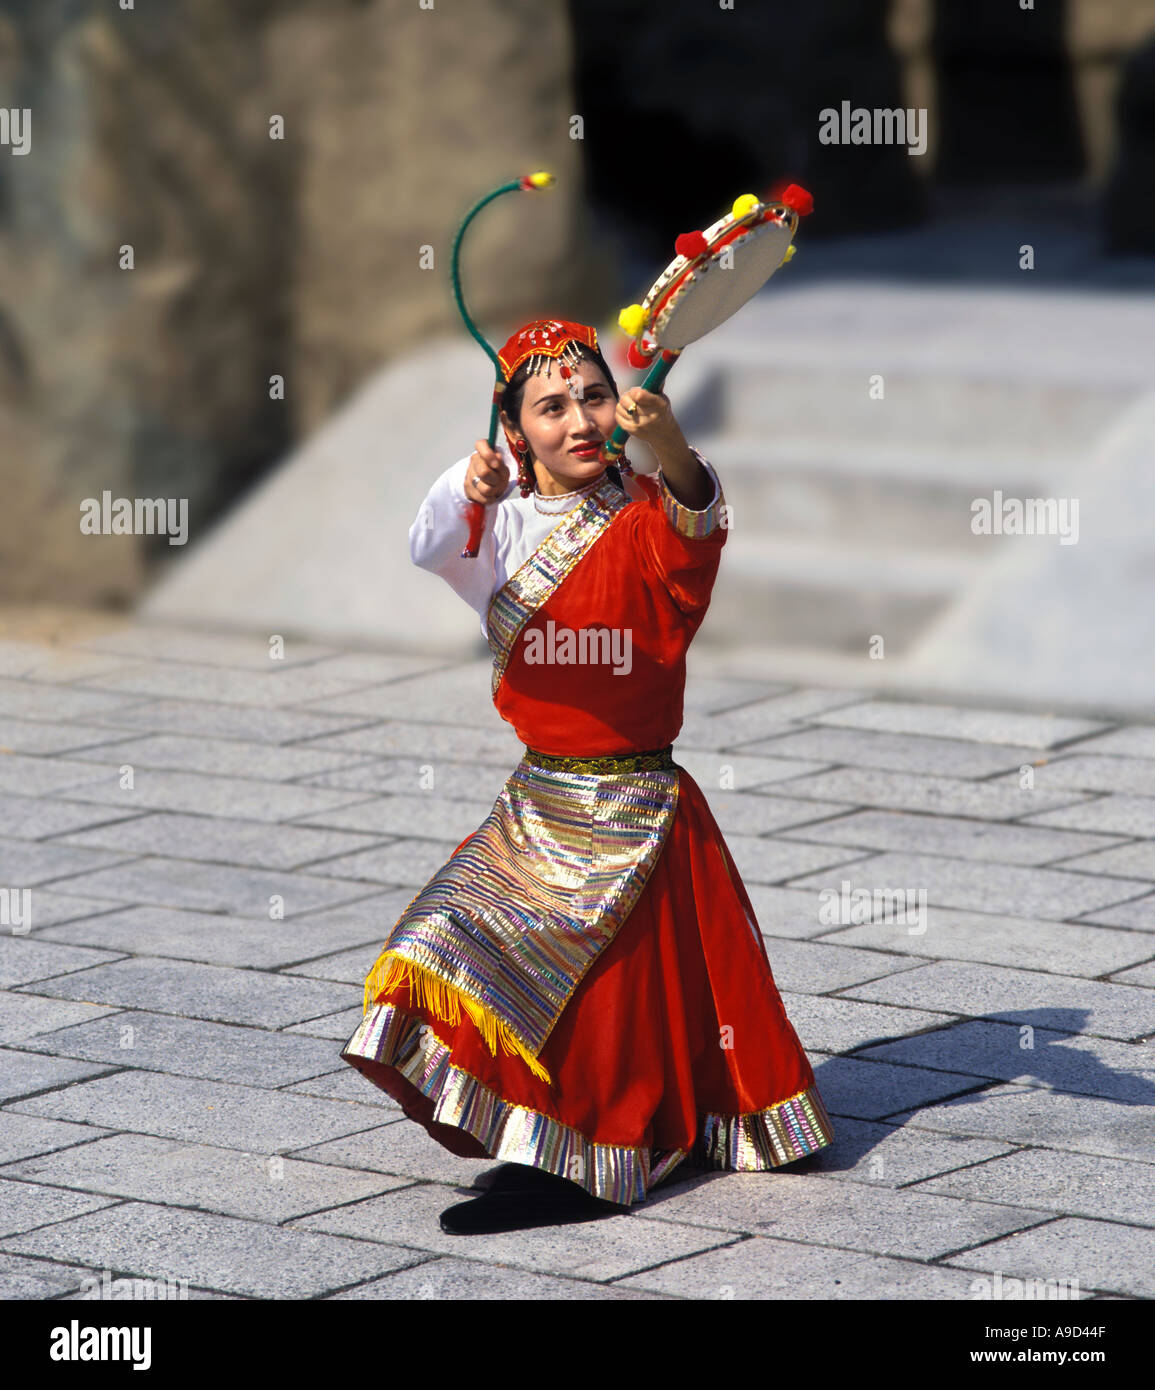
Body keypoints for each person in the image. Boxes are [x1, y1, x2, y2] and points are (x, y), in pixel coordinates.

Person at [341, 317, 834, 1235]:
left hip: (637, 810)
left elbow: (698, 520)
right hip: (540, 801)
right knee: (449, 937)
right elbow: (427, 542)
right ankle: (534, 1134)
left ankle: (588, 1160)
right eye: (550, 406)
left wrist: (672, 445)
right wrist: (467, 480)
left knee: (603, 1001)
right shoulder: (497, 528)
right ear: (513, 427)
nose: (577, 419)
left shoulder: (649, 515)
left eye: (593, 397)